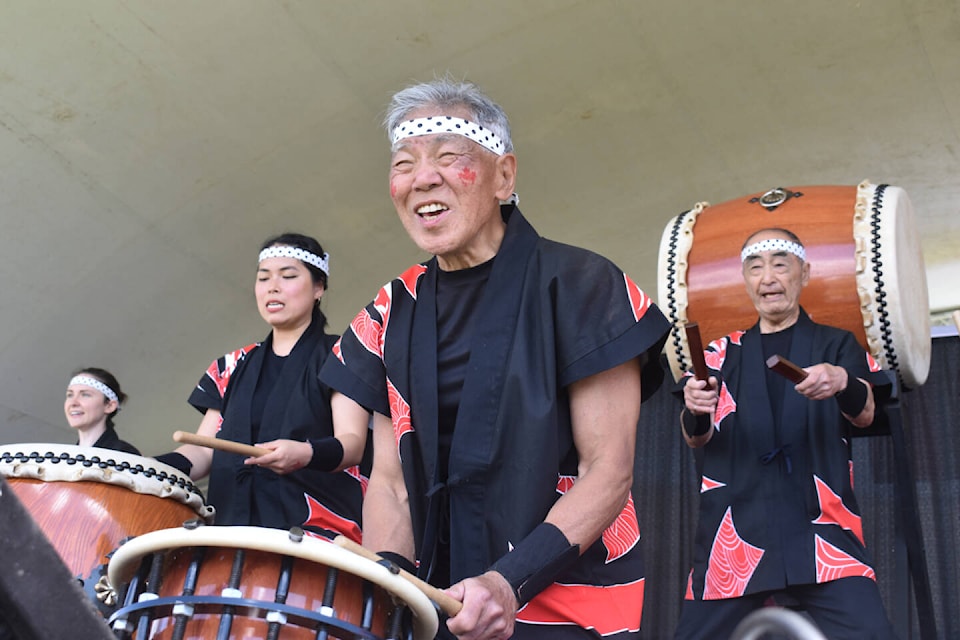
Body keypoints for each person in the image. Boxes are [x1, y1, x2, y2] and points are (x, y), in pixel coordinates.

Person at [319, 78, 671, 639]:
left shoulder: (582, 285)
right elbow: (390, 483)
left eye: (448, 157)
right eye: (404, 163)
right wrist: (390, 583)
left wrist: (507, 582)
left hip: (560, 602)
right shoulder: (392, 312)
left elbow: (608, 469)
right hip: (439, 606)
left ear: (504, 176)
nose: (421, 178)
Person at [673, 228, 897, 639]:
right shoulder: (721, 355)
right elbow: (695, 437)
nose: (768, 278)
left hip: (822, 533)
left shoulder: (836, 345)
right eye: (756, 268)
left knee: (871, 633)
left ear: (804, 273)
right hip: (735, 533)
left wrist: (841, 380)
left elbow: (866, 413)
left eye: (780, 264)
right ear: (746, 280)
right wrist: (695, 407)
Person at [156, 233, 368, 541]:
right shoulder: (230, 366)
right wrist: (149, 468)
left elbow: (351, 443)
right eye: (264, 278)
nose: (273, 286)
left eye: (288, 276)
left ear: (318, 288)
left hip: (312, 537)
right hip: (230, 531)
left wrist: (306, 453)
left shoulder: (342, 355)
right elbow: (204, 449)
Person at [64, 367, 140, 454]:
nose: (73, 403)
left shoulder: (125, 456)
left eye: (85, 395)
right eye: (70, 395)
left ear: (109, 406)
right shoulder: (65, 457)